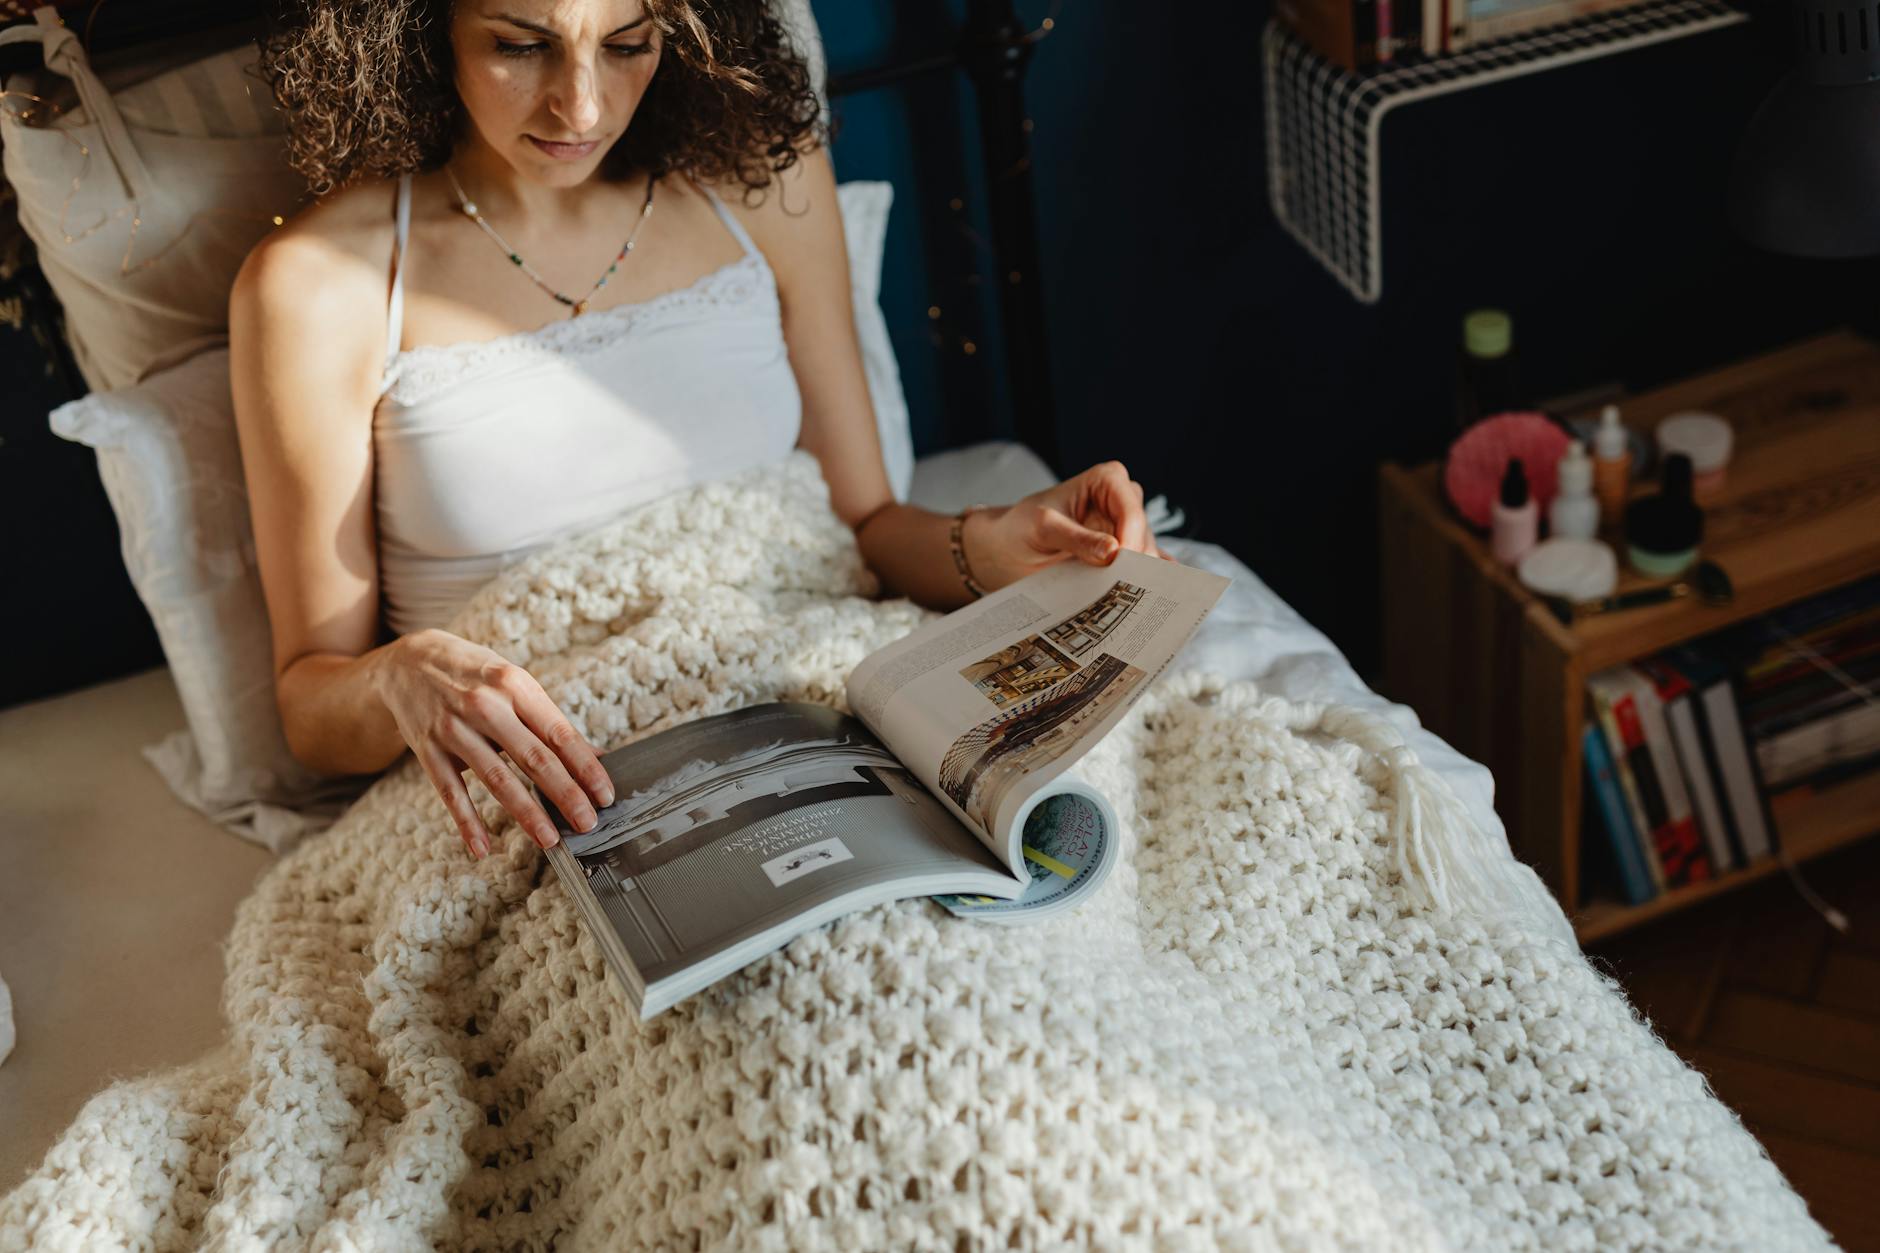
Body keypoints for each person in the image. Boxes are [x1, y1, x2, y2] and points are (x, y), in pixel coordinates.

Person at [230, 0, 1164, 863]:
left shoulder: (764, 180)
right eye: (521, 46)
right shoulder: (318, 283)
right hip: (565, 790)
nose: (582, 105)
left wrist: (991, 542)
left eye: (629, 43)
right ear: (417, 28)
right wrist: (405, 674)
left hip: (828, 697)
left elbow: (868, 527)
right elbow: (313, 705)